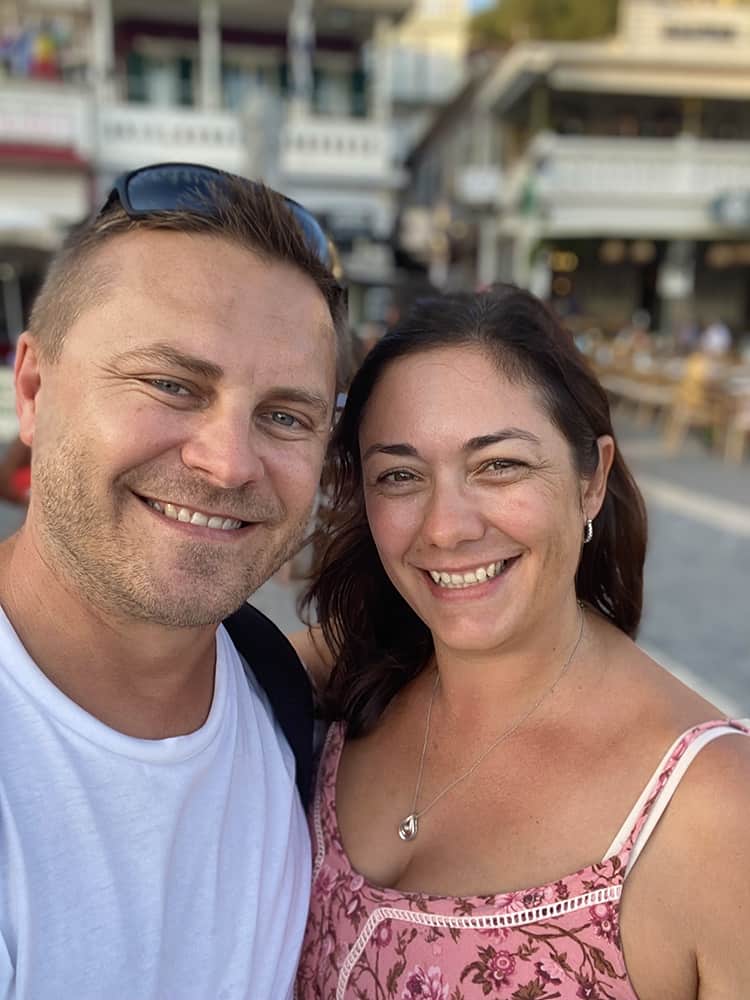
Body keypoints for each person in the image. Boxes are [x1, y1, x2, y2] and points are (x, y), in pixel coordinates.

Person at [292, 285, 750, 999]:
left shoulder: (717, 810)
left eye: (498, 465)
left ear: (591, 478)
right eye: (401, 476)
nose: (446, 527)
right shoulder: (342, 677)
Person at [0, 162, 349, 999]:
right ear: (35, 391)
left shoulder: (279, 702)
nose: (228, 464)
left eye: (286, 416)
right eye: (171, 384)